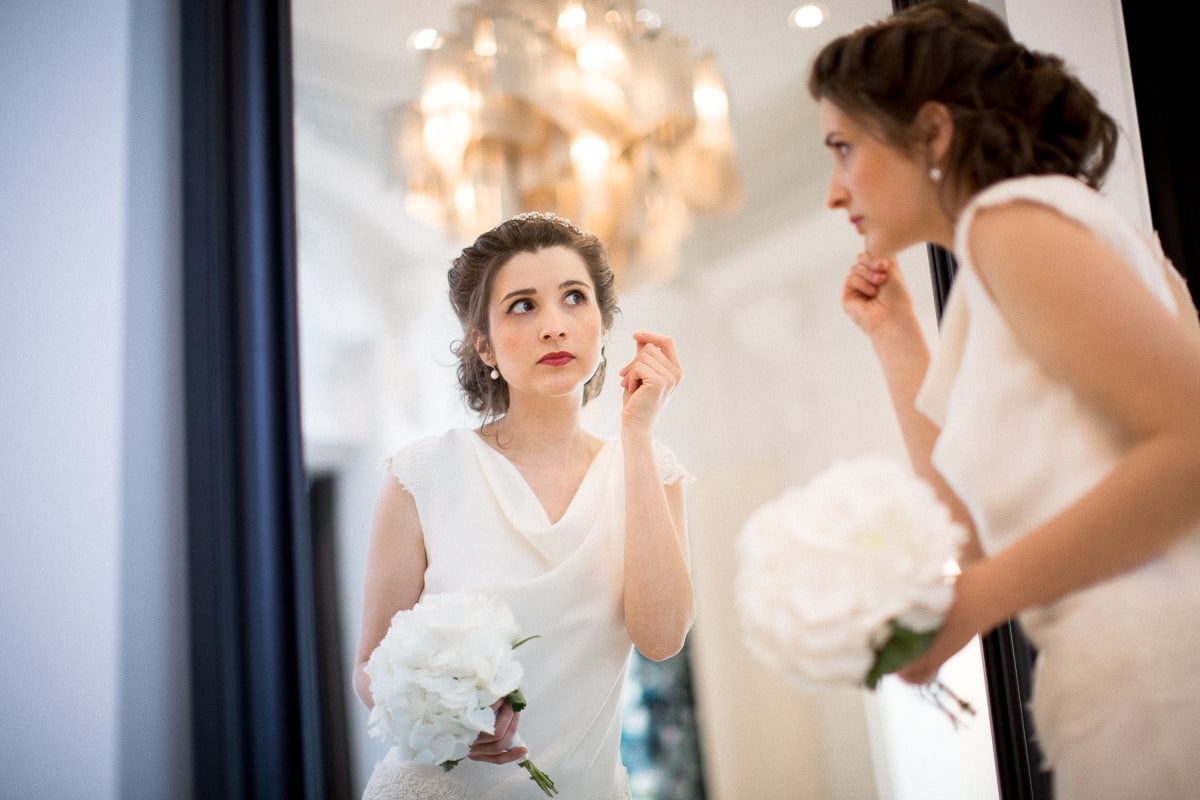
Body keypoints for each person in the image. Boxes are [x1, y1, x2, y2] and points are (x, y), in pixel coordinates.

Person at [809, 2, 1200, 797]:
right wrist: (895, 334)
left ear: (932, 133)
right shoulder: (1009, 255)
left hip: (1157, 674)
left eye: (844, 148)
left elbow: (1192, 446)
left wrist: (963, 610)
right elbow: (969, 516)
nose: (833, 191)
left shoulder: (1007, 222)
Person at [353, 211, 695, 800]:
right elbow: (370, 669)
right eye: (522, 305)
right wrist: (448, 723)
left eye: (573, 298)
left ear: (603, 324)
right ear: (482, 342)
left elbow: (660, 638)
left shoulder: (651, 470)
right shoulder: (421, 477)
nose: (555, 326)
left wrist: (636, 437)